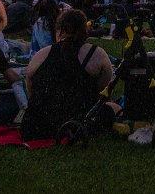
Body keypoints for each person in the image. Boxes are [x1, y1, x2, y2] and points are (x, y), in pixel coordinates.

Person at [20, 8, 117, 140]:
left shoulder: (41, 54)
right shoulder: (96, 54)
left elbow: (30, 84)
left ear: (59, 30)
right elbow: (104, 88)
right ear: (85, 30)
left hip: (38, 124)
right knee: (114, 108)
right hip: (77, 121)